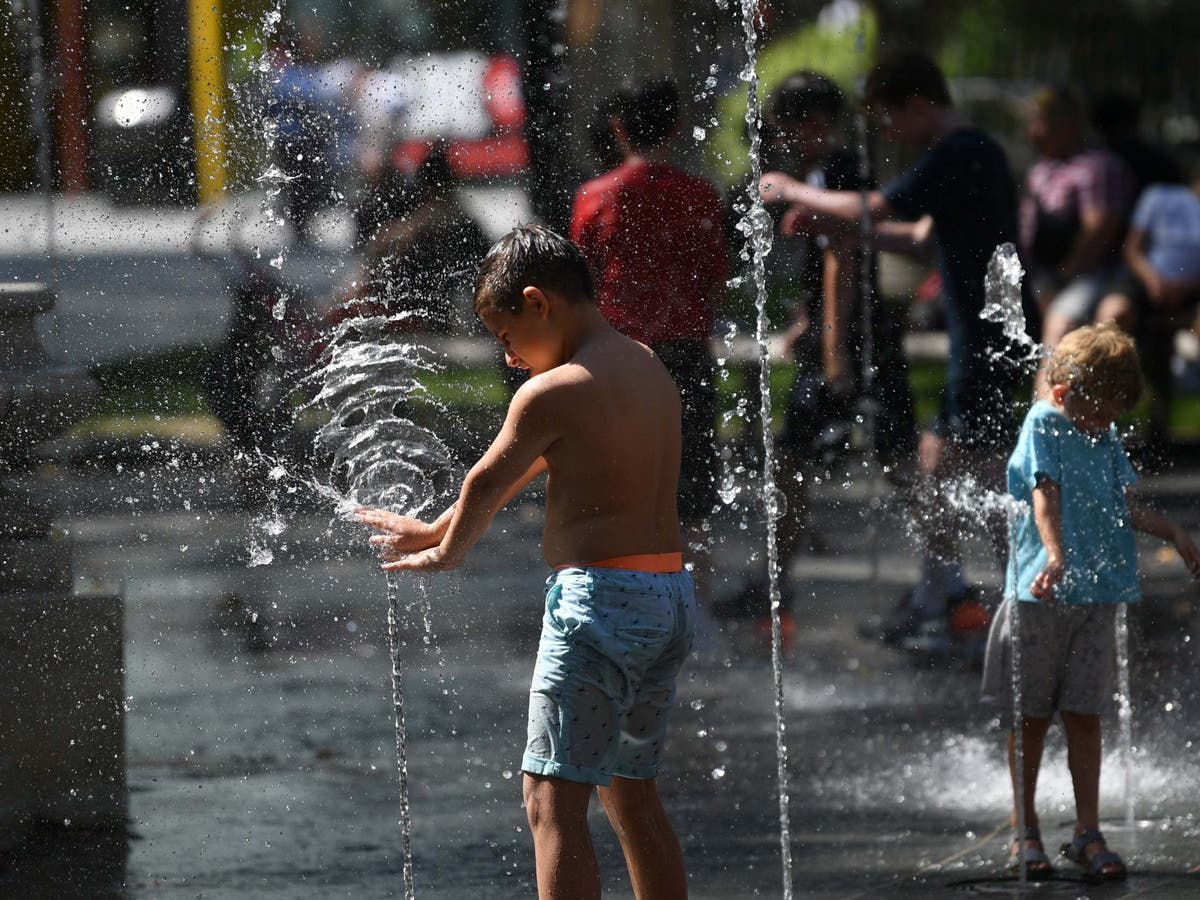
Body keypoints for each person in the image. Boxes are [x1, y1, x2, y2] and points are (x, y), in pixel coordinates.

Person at [355, 225, 694, 900]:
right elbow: (531, 464)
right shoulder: (644, 364)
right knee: (632, 794)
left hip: (598, 608)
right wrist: (437, 525)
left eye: (506, 336)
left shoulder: (550, 392)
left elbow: (485, 480)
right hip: (665, 601)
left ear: (539, 303)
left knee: (550, 800)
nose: (508, 358)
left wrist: (447, 554)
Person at [759, 52, 1036, 647]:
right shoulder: (975, 152)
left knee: (964, 465)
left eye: (889, 119)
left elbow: (877, 207)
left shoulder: (958, 150)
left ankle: (1025, 592)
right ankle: (951, 595)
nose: (888, 134)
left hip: (988, 330)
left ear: (916, 104)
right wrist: (835, 227)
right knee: (948, 461)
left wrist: (790, 192)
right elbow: (916, 238)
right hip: (987, 327)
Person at [981, 323, 1200, 882]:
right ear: (1063, 392)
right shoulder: (1044, 423)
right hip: (1041, 595)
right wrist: (1054, 555)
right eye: (1099, 412)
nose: (1105, 423)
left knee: (1084, 715)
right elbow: (1044, 494)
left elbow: (1120, 505)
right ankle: (1025, 829)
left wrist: (1172, 531)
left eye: (1113, 415)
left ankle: (1087, 832)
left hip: (1096, 597)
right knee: (1031, 718)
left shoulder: (1102, 433)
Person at [719, 71, 918, 637]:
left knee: (893, 464)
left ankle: (947, 586)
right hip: (855, 337)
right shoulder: (836, 170)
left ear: (813, 123)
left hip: (855, 346)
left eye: (785, 128)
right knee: (823, 461)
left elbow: (842, 258)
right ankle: (775, 584)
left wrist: (833, 351)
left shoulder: (836, 172)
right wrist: (810, 321)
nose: (780, 141)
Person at [569, 75, 727, 612]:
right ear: (677, 127)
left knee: (616, 486)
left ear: (618, 128)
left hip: (618, 361)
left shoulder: (594, 197)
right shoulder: (700, 195)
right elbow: (714, 279)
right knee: (692, 493)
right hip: (686, 357)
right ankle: (694, 612)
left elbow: (580, 287)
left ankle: (624, 607)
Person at [1021, 87, 1136, 364]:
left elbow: (1099, 232)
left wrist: (1060, 279)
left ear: (1068, 125)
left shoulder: (1096, 168)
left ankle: (1048, 392)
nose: (1032, 131)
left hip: (1091, 277)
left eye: (1041, 122)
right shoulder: (1040, 171)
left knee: (1060, 324)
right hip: (1041, 277)